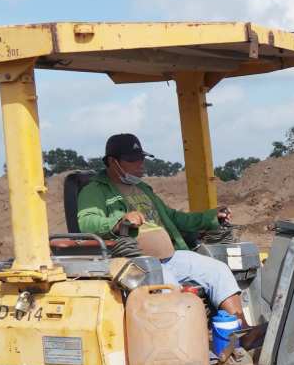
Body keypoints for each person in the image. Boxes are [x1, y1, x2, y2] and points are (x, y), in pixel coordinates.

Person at [76, 134, 244, 318]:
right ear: (112, 161)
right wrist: (119, 221)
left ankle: (241, 330)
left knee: (217, 270)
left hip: (168, 256)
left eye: (141, 158)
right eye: (132, 159)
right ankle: (184, 339)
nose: (140, 163)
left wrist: (211, 217)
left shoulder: (143, 188)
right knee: (167, 284)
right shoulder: (94, 191)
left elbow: (173, 217)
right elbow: (87, 222)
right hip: (135, 262)